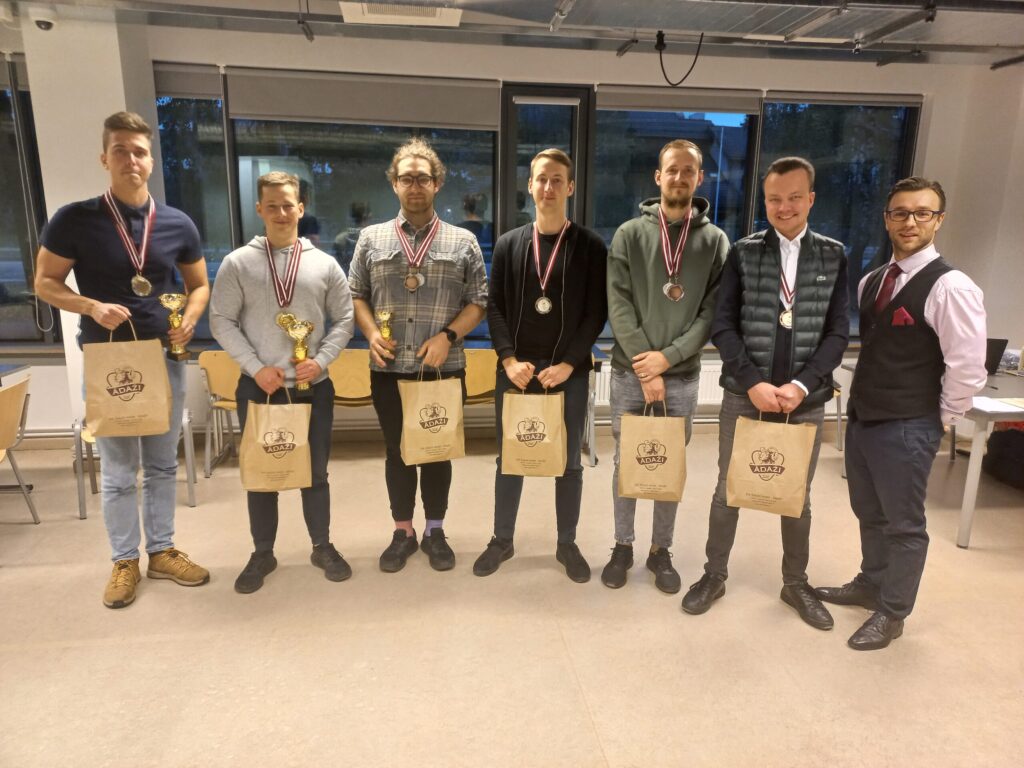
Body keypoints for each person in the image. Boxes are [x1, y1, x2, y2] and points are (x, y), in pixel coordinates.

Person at [34, 111, 210, 609]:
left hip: (164, 357)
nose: (130, 160)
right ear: (104, 158)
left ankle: (163, 551)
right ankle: (124, 560)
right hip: (108, 360)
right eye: (120, 151)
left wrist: (189, 320)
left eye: (139, 152)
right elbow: (44, 283)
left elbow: (198, 286)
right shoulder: (74, 219)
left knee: (161, 464)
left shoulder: (177, 223)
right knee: (116, 469)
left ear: (151, 161)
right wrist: (90, 306)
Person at [817, 177, 987, 650]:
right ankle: (871, 582)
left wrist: (939, 419)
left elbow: (967, 368)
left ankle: (892, 612)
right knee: (869, 512)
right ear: (887, 219)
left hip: (909, 424)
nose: (910, 222)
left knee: (904, 525)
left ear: (939, 220)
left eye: (922, 213)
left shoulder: (952, 287)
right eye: (900, 212)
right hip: (864, 419)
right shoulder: (873, 280)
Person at [681, 156, 849, 630]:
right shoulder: (744, 252)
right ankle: (714, 575)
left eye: (794, 197)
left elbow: (838, 332)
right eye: (774, 199)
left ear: (810, 199)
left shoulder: (834, 255)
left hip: (805, 401)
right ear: (765, 201)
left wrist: (802, 384)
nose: (784, 207)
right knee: (728, 489)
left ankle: (795, 583)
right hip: (745, 396)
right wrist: (753, 382)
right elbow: (723, 325)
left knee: (796, 495)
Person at [210, 171, 355, 593]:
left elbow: (345, 319)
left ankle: (321, 546)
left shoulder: (324, 264)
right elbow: (221, 320)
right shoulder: (238, 263)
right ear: (259, 209)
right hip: (260, 386)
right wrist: (255, 367)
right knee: (262, 474)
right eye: (271, 206)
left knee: (316, 472)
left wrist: (321, 360)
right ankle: (262, 552)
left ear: (300, 208)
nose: (280, 213)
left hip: (313, 387)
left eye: (288, 205)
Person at [348, 138, 487, 573]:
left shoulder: (463, 241)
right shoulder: (370, 239)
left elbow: (479, 301)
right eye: (406, 178)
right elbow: (356, 295)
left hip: (443, 368)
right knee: (398, 451)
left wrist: (449, 335)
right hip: (389, 367)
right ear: (394, 183)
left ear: (437, 183)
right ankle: (403, 531)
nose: (414, 186)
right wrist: (371, 334)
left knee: (437, 451)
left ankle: (435, 531)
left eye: (423, 179)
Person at [472, 148, 607, 583]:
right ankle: (502, 540)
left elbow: (596, 311)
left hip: (568, 373)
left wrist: (568, 364)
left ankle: (567, 543)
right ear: (530, 186)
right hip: (517, 371)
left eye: (557, 180)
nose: (548, 187)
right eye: (541, 179)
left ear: (570, 187)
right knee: (511, 457)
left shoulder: (590, 246)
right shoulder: (509, 244)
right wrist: (508, 359)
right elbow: (494, 307)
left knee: (568, 462)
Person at [602, 139, 729, 593]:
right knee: (627, 461)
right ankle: (623, 545)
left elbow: (711, 313)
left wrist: (668, 359)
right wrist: (647, 367)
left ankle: (661, 550)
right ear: (658, 177)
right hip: (629, 373)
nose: (679, 177)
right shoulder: (628, 234)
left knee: (667, 463)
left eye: (688, 171)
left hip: (682, 377)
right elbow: (618, 304)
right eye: (671, 169)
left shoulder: (715, 242)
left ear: (700, 178)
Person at [334, 201, 372, 276]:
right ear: (369, 216)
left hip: (346, 278)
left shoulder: (340, 239)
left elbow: (337, 266)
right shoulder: (373, 239)